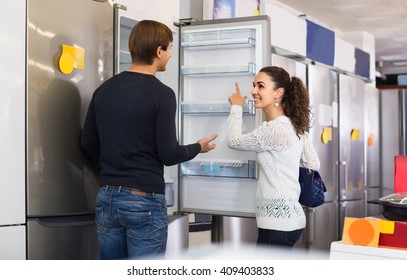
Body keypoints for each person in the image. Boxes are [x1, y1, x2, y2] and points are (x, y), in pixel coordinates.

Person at [81, 20, 217, 260]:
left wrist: (112, 170)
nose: (170, 55)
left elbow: (88, 144)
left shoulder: (104, 90)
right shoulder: (162, 94)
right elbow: (169, 154)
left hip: (107, 199)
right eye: (170, 49)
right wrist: (197, 147)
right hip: (143, 202)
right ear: (158, 50)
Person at [227, 66, 320, 247]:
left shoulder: (274, 129)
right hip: (292, 219)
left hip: (277, 224)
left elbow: (234, 141)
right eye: (254, 85)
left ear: (278, 93)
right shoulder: (293, 126)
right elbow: (314, 163)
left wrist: (236, 108)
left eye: (260, 86)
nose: (254, 91)